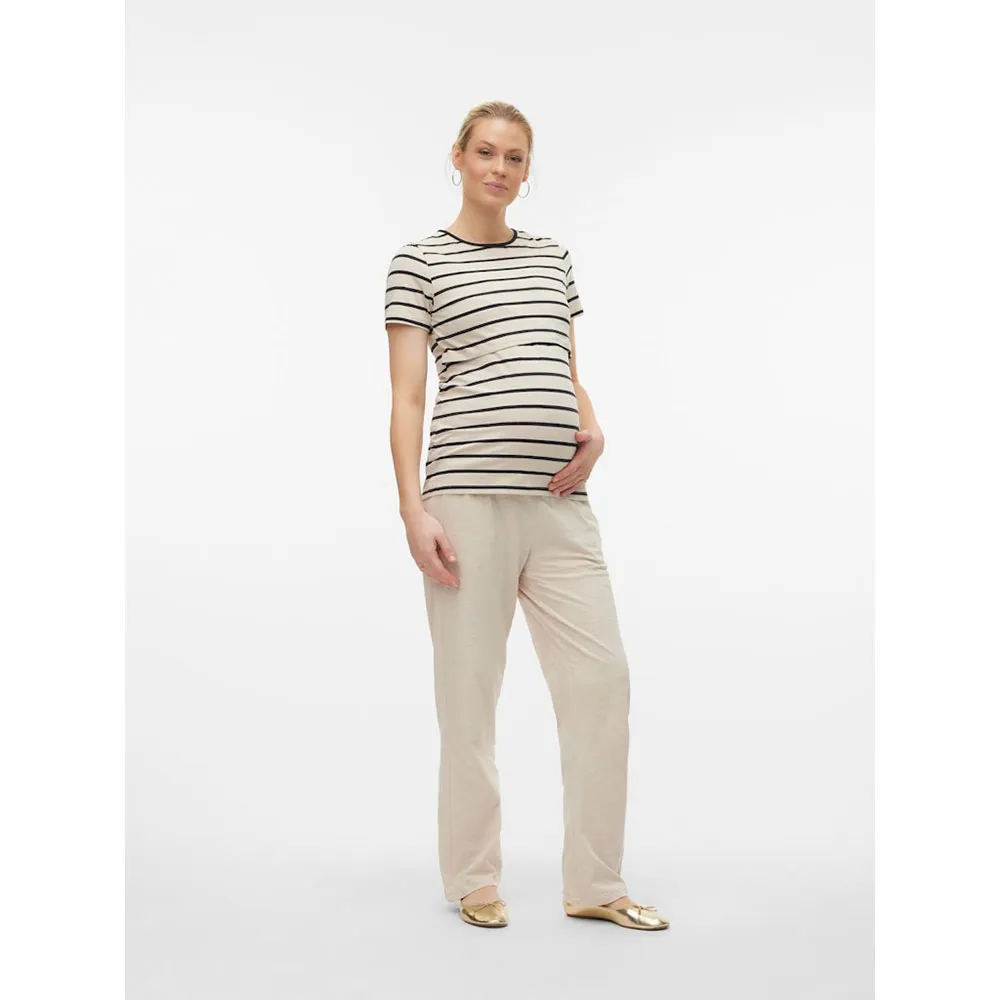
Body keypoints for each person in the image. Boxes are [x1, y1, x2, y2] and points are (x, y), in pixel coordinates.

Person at [382, 101, 668, 932]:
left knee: (602, 685)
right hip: (465, 503)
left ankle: (596, 884)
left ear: (527, 170)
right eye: (485, 153)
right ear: (458, 157)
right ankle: (474, 878)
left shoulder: (551, 258)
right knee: (469, 699)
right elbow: (407, 396)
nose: (499, 169)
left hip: (561, 504)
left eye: (514, 158)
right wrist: (412, 509)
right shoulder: (418, 262)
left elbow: (564, 365)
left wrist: (593, 426)